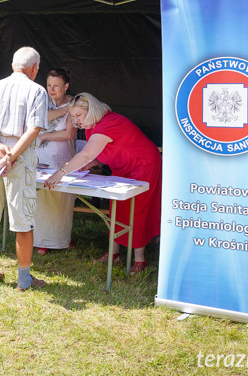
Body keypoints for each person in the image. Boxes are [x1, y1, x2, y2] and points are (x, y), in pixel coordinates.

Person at [45, 92, 162, 274]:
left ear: (91, 111)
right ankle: (113, 253)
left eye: (78, 115)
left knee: (137, 211)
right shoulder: (95, 123)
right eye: (73, 116)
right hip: (124, 166)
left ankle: (140, 260)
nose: (76, 121)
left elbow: (86, 154)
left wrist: (62, 172)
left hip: (144, 165)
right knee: (117, 208)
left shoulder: (108, 124)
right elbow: (105, 152)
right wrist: (90, 164)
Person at [0, 47, 49, 291]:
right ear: (34, 68)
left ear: (13, 64)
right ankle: (24, 280)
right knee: (22, 220)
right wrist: (11, 155)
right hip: (20, 157)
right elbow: (34, 129)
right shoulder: (37, 90)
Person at [33, 68, 78, 255]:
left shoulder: (75, 103)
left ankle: (61, 239)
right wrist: (63, 110)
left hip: (62, 158)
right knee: (42, 199)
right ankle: (41, 240)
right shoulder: (43, 101)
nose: (52, 90)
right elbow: (40, 118)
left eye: (56, 86)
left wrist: (44, 136)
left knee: (61, 200)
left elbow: (69, 133)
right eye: (49, 85)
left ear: (66, 86)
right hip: (41, 158)